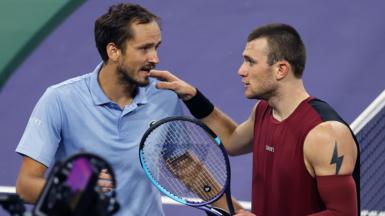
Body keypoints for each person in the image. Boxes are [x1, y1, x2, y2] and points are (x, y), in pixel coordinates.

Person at [150, 23, 360, 216]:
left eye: (250, 62)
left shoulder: (326, 134)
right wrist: (194, 97)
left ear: (281, 70)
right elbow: (232, 140)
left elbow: (343, 214)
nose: (241, 71)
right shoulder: (263, 112)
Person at [15, 3, 184, 215]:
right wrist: (77, 192)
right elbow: (26, 186)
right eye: (144, 48)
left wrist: (233, 210)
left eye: (156, 47)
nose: (155, 58)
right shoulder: (59, 99)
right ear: (113, 51)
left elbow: (186, 167)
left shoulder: (165, 97)